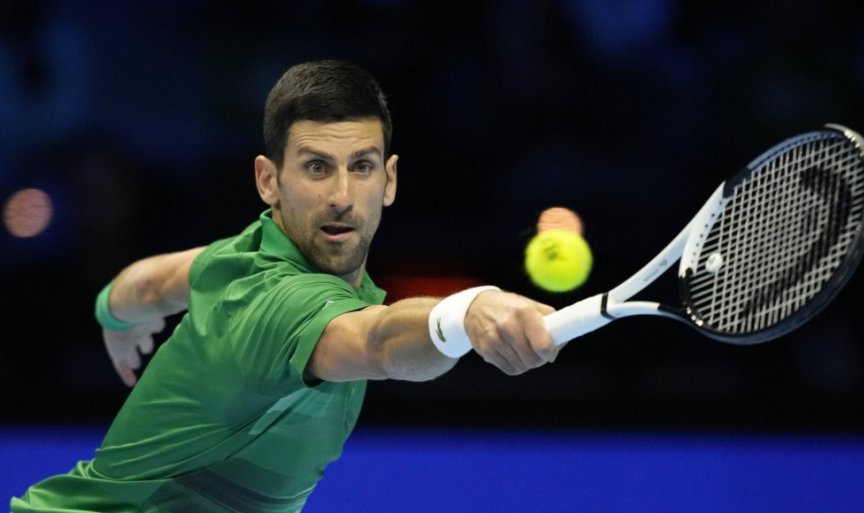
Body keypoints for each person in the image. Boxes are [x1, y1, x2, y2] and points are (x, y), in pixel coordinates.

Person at [11, 59, 562, 512]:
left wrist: (114, 313)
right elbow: (377, 342)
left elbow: (154, 284)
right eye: (317, 168)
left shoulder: (239, 256)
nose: (342, 196)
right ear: (269, 180)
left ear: (389, 180)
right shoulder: (273, 301)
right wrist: (468, 311)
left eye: (362, 166)